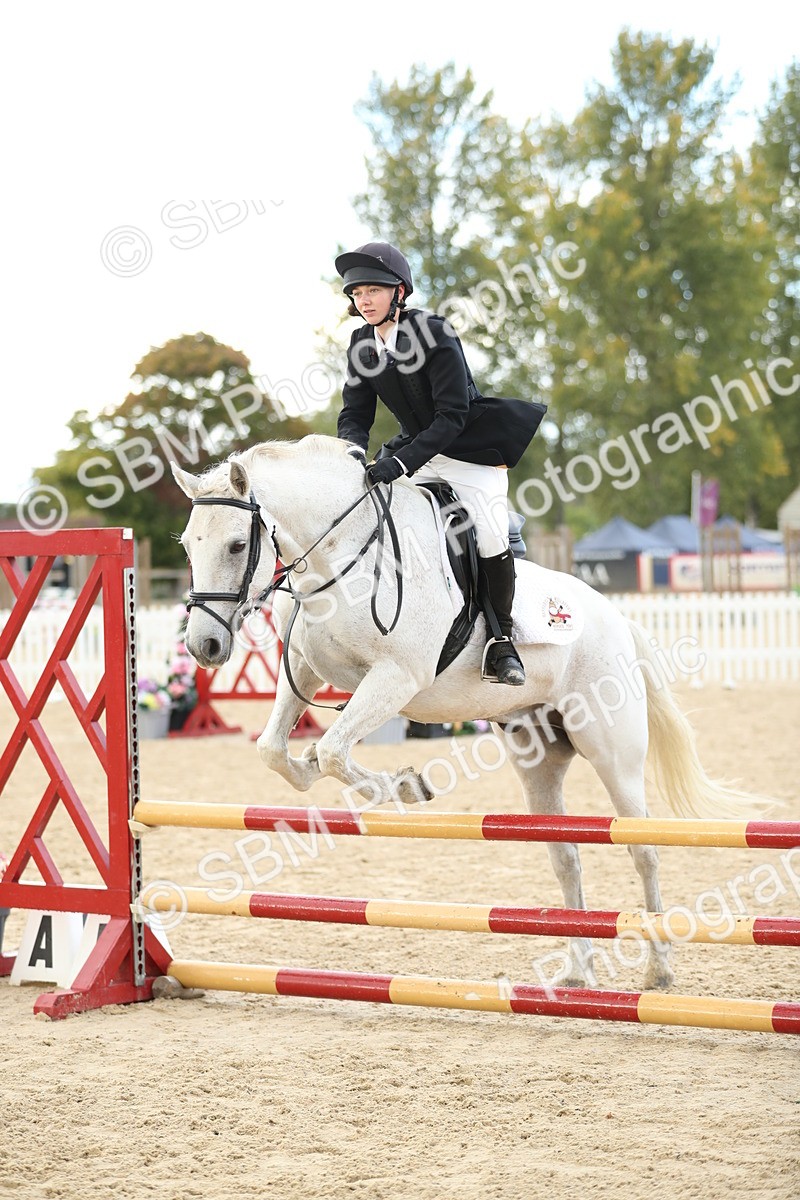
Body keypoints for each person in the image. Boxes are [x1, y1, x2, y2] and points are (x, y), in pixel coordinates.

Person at [335, 241, 545, 686]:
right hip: (415, 451)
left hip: (467, 452)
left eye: (373, 290)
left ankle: (502, 642)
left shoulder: (434, 332)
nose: (364, 300)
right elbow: (355, 414)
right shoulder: (360, 344)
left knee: (488, 531)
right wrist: (352, 454)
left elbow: (454, 415)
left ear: (399, 292)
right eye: (357, 294)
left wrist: (401, 464)